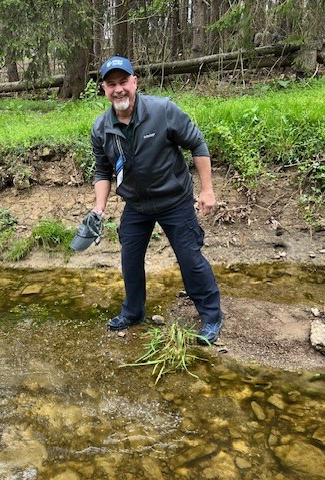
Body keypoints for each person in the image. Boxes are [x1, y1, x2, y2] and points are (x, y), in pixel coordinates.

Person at [89, 55, 223, 345]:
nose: (118, 89)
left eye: (123, 82)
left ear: (134, 82)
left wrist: (207, 190)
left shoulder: (162, 110)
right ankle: (134, 311)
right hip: (136, 204)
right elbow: (103, 170)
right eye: (111, 84)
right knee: (130, 258)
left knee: (189, 258)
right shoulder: (101, 128)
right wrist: (99, 207)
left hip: (174, 200)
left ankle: (211, 316)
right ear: (103, 89)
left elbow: (197, 143)